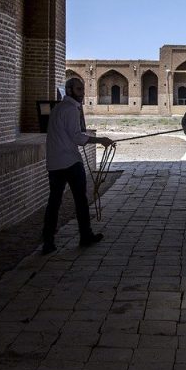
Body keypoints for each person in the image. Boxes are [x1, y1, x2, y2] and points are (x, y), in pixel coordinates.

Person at [42, 77, 114, 255]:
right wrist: (100, 140)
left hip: (55, 163)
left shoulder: (58, 108)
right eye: (78, 89)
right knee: (81, 200)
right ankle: (85, 235)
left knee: (54, 202)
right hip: (70, 162)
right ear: (69, 91)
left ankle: (48, 241)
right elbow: (77, 137)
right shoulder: (71, 110)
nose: (82, 93)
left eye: (82, 89)